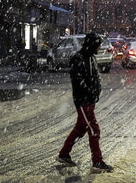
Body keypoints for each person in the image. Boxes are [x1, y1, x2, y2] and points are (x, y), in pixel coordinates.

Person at [57, 32, 114, 172]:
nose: (99, 48)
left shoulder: (91, 58)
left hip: (89, 100)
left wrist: (96, 91)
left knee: (80, 129)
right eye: (98, 45)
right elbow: (77, 80)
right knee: (94, 130)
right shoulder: (78, 58)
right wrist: (89, 91)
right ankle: (97, 162)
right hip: (83, 101)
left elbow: (95, 77)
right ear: (92, 44)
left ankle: (64, 154)